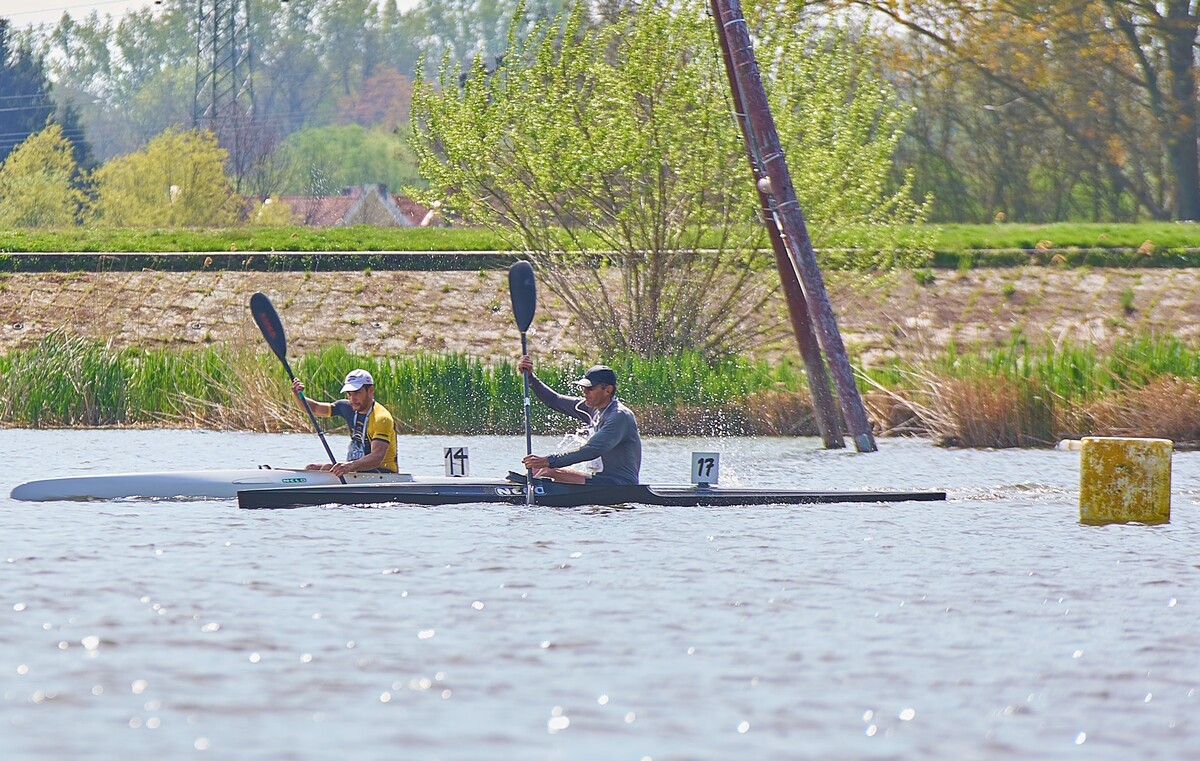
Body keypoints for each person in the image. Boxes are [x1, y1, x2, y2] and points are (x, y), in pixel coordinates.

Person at [517, 355, 642, 484]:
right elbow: (553, 400)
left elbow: (590, 450)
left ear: (608, 390)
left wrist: (549, 461)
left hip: (620, 484)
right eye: (583, 387)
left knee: (548, 470)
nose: (585, 392)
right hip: (599, 480)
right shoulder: (591, 408)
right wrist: (530, 377)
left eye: (590, 388)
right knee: (541, 470)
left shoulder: (619, 416)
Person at [290, 368, 399, 476]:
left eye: (357, 393)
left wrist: (349, 466)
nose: (352, 399)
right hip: (359, 471)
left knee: (326, 469)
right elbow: (314, 408)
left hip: (383, 474)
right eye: (349, 394)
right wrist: (296, 394)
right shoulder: (347, 407)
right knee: (312, 468)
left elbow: (377, 457)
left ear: (370, 390)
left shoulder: (381, 418)